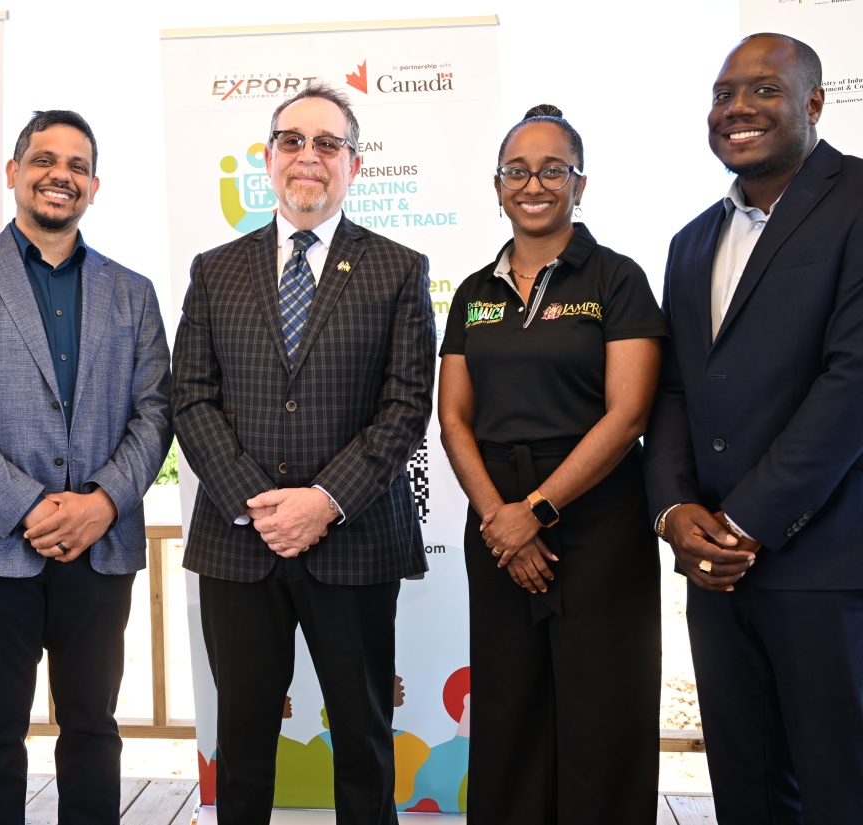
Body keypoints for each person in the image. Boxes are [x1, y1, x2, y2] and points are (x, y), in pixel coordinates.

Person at [172, 81, 435, 825]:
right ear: (269, 158)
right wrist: (259, 505)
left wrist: (323, 501)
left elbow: (406, 405)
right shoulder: (214, 269)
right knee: (243, 743)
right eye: (293, 141)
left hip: (354, 540)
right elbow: (189, 397)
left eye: (328, 143)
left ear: (354, 163)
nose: (308, 156)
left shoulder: (398, 267)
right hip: (239, 544)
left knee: (363, 738)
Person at [0, 109, 171, 824]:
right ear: (14, 172)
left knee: (93, 730)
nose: (61, 175)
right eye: (45, 160)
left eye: (78, 165)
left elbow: (157, 412)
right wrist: (31, 506)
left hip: (100, 546)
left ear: (94, 186)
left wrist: (101, 503)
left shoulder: (134, 291)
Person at [644, 34, 863, 825]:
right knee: (747, 790)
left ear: (814, 102)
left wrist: (743, 523)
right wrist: (675, 512)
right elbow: (674, 390)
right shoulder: (691, 241)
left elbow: (852, 382)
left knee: (841, 790)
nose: (736, 108)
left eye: (764, 89)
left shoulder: (857, 201)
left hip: (828, 567)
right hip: (716, 575)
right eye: (723, 93)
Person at [438, 104, 666, 824]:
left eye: (552, 170)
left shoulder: (617, 278)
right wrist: (501, 519)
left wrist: (536, 511)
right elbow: (454, 419)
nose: (532, 184)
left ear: (580, 184)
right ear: (497, 186)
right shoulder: (474, 292)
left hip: (597, 517)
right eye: (517, 170)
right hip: (497, 522)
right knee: (508, 704)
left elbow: (627, 415)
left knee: (604, 709)